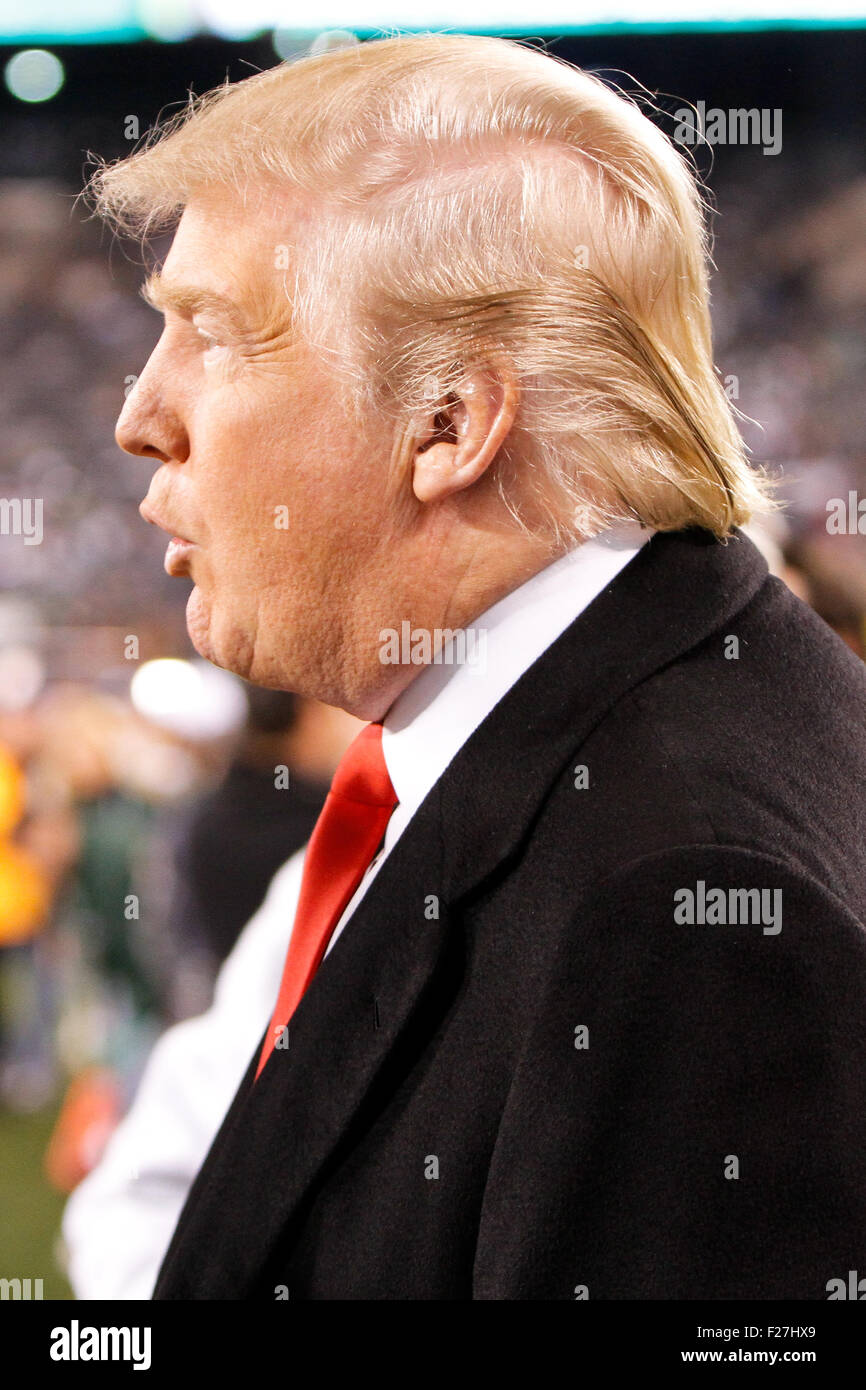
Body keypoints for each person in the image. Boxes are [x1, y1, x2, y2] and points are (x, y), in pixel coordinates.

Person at [80, 33, 866, 1299]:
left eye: (212, 333)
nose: (137, 416)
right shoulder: (590, 738)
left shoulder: (683, 902)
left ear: (450, 419)